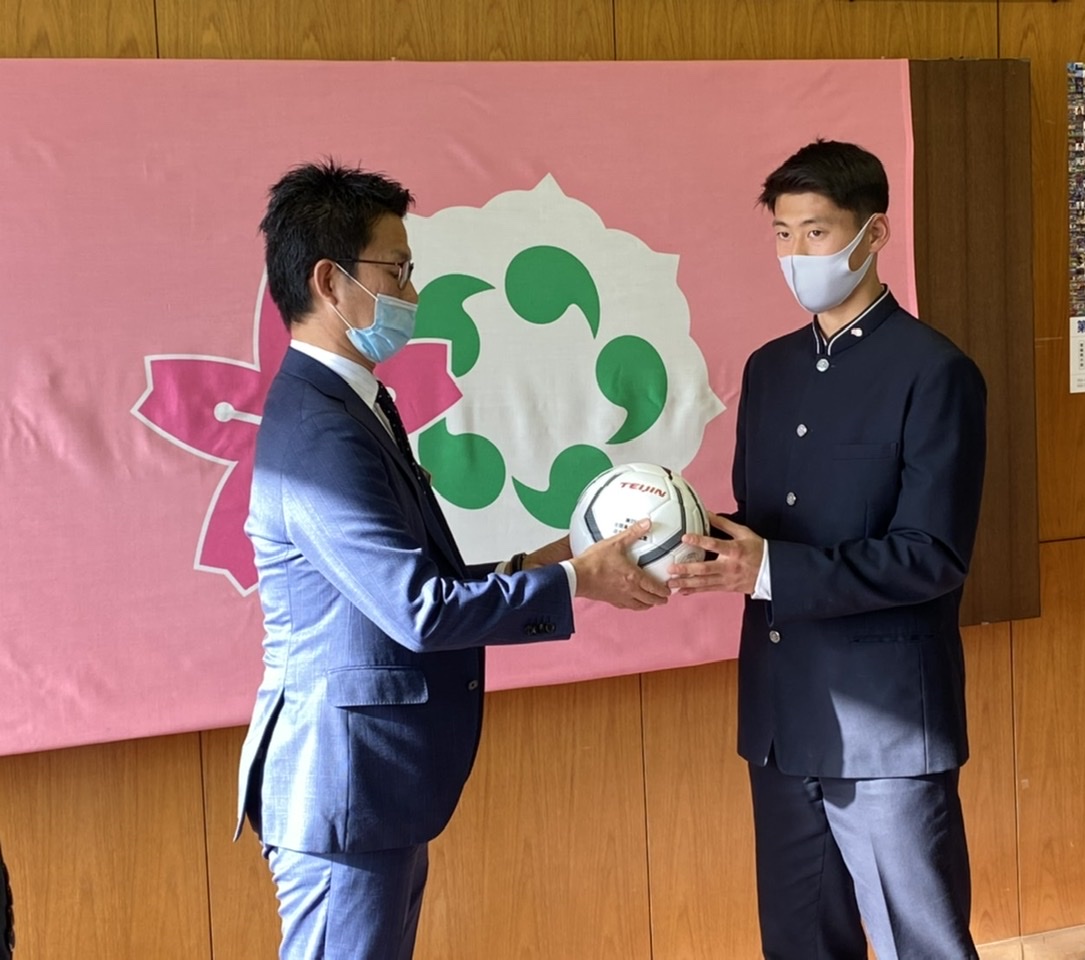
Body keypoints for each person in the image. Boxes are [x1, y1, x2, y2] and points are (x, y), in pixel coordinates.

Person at [234, 159, 669, 960]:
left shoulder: (356, 404)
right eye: (395, 271)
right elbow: (419, 611)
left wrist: (555, 558)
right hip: (344, 786)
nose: (412, 292)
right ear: (330, 282)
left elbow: (417, 582)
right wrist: (577, 581)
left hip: (376, 790)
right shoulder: (319, 430)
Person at [669, 139, 987, 960]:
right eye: (782, 234)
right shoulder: (768, 369)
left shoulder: (935, 372)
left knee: (921, 945)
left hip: (885, 730)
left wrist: (768, 568)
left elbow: (932, 554)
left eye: (816, 232)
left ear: (873, 233)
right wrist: (683, 536)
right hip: (781, 721)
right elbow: (766, 523)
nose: (796, 254)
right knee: (799, 945)